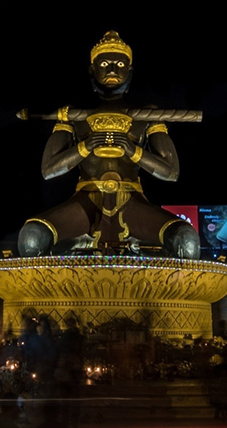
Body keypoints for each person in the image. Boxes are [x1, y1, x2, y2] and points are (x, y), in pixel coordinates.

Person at [17, 30, 201, 259]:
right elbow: (48, 170)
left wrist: (133, 150)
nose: (112, 69)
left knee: (187, 241)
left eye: (120, 64)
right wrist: (85, 146)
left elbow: (171, 172)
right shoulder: (72, 115)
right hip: (85, 202)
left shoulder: (148, 115)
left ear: (130, 72)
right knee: (32, 237)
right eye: (104, 63)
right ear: (92, 69)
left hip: (133, 202)